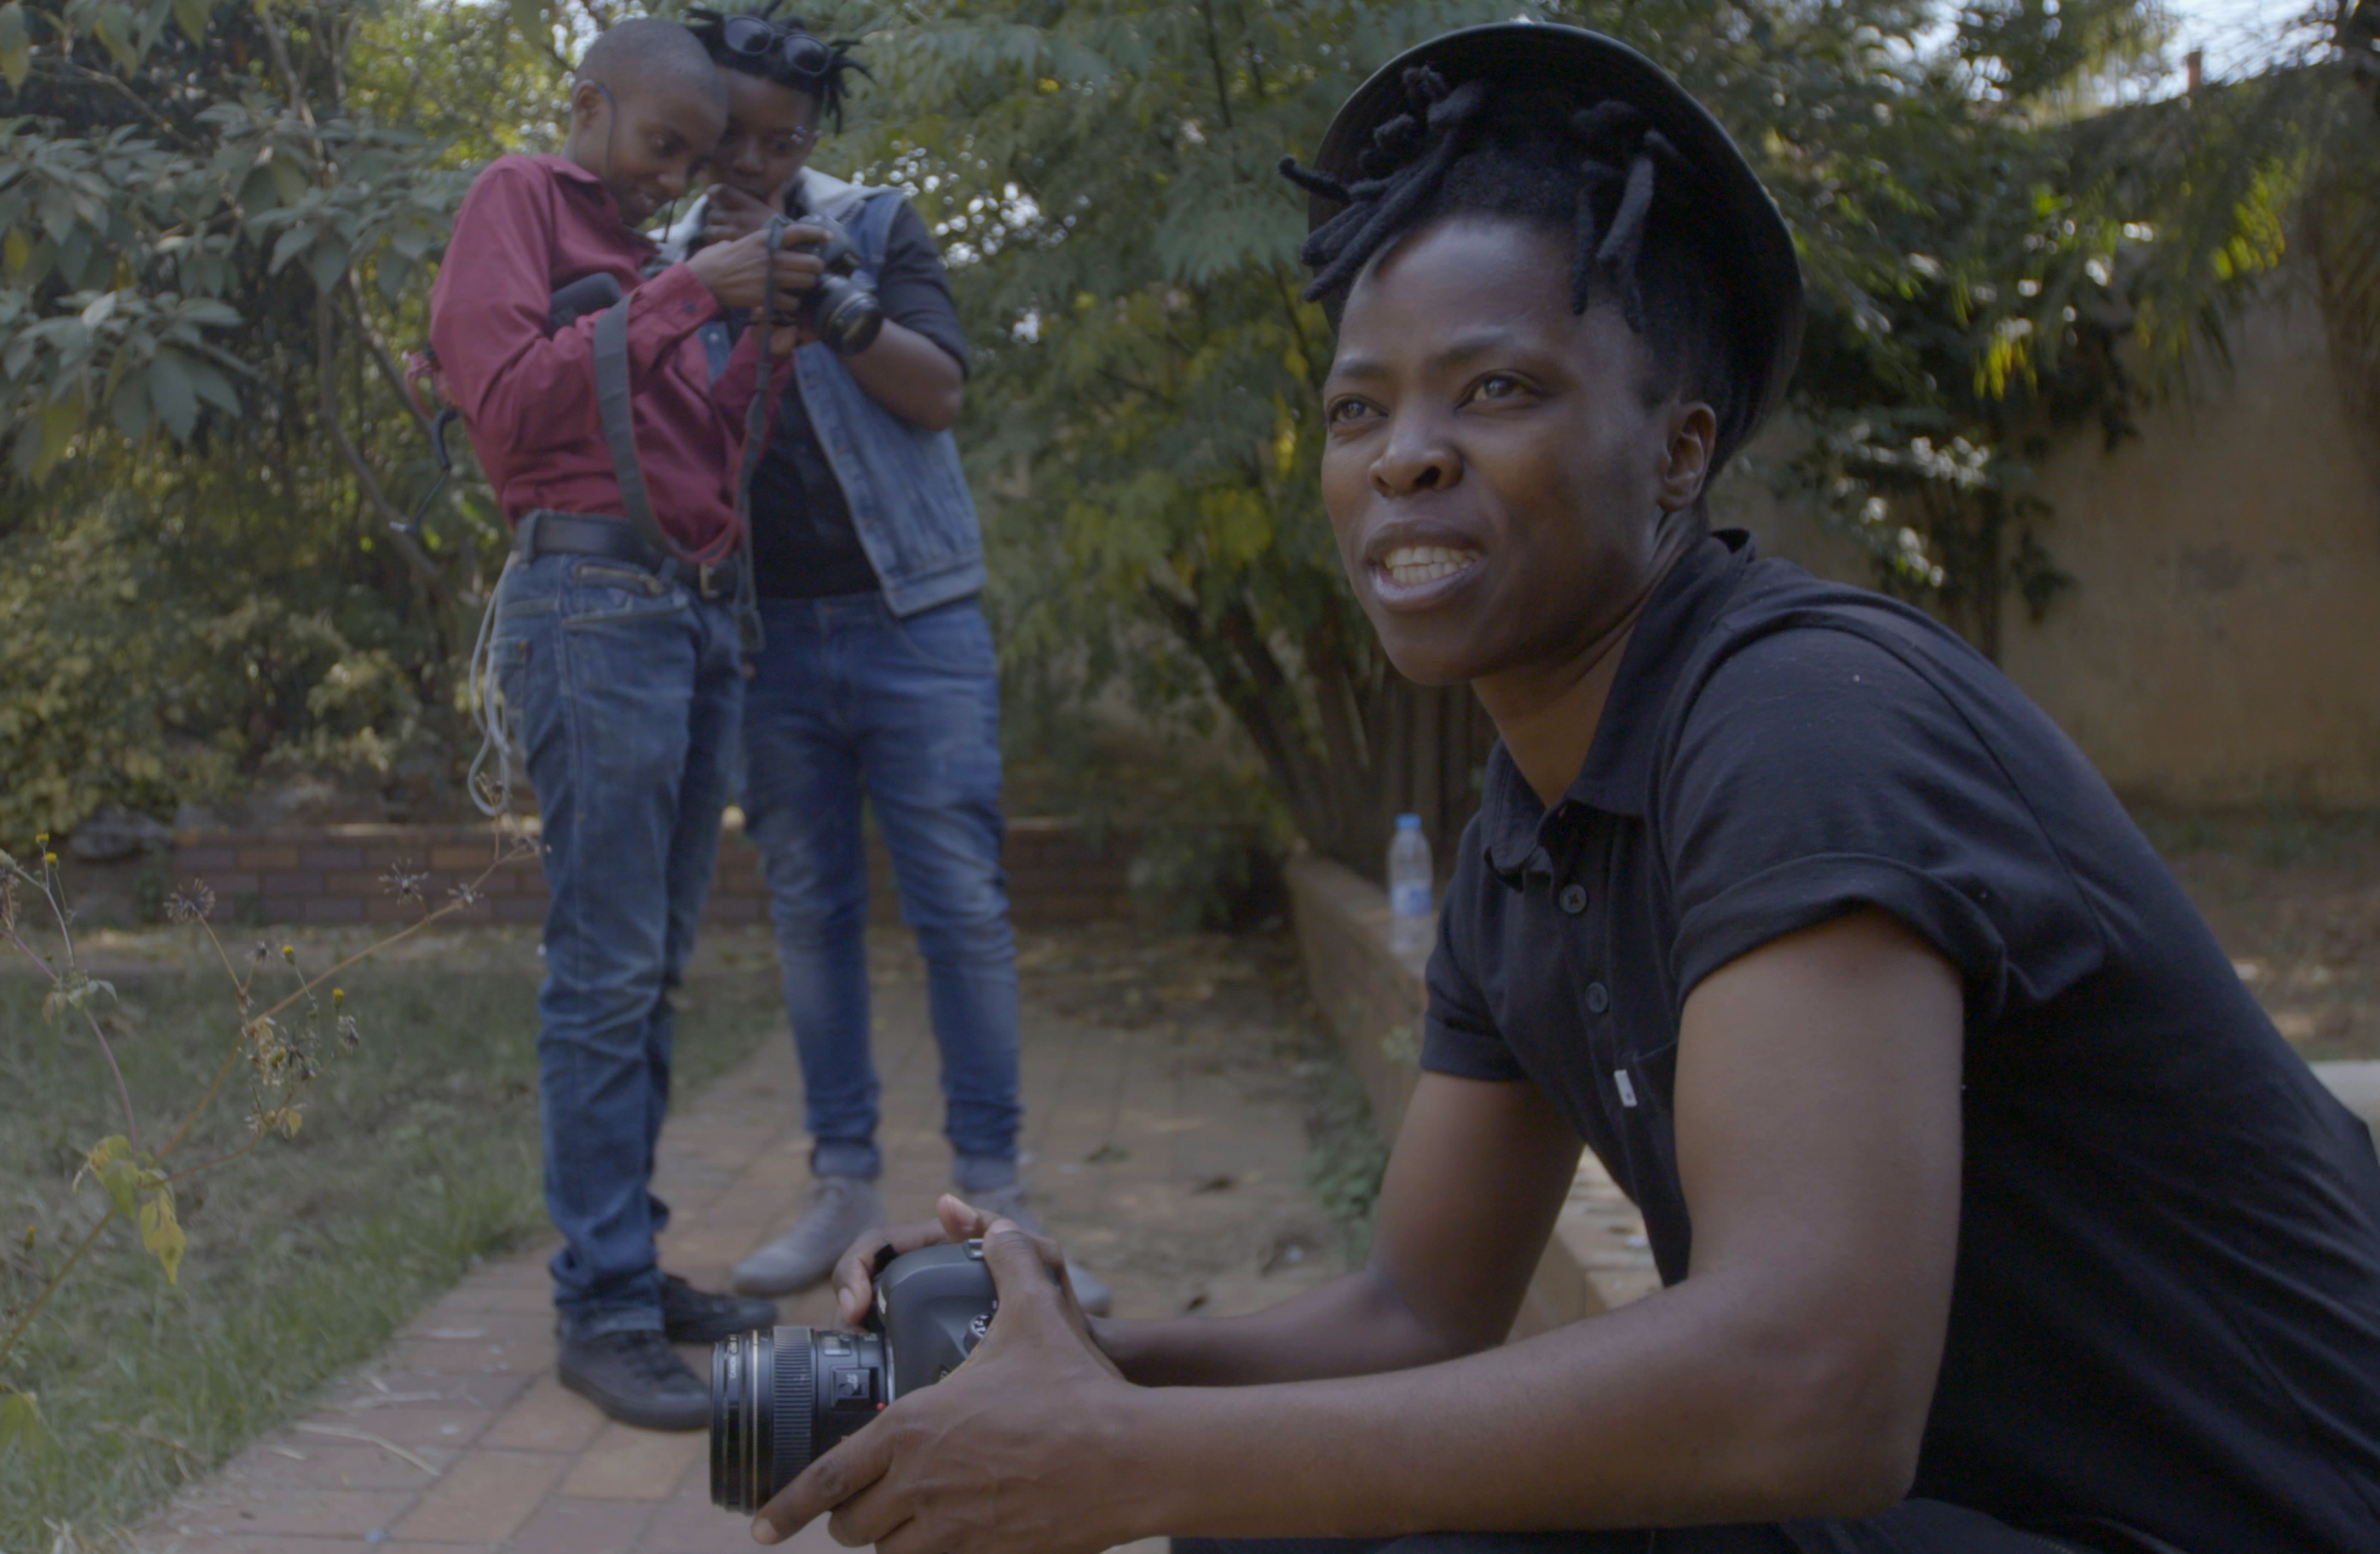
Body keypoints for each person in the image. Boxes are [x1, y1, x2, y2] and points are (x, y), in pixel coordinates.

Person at [748, 22, 2380, 1553]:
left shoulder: (1806, 723)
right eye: (1357, 408)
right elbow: (1416, 1313)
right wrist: (1068, 1360)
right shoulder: (1528, 830)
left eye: (1498, 388)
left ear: (1679, 451)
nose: (1405, 455)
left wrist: (1132, 1460)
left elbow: (1809, 1388)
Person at [655, 3, 1110, 1316]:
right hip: (763, 639)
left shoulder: (877, 223)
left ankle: (996, 1198)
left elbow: (941, 389)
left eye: (780, 139)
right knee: (812, 914)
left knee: (962, 906)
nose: (750, 161)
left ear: (810, 137)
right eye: (731, 136)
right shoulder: (657, 254)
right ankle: (845, 1188)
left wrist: (823, 293)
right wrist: (712, 286)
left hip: (917, 622)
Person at [427, 17, 832, 1431]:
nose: (673, 180)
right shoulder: (517, 201)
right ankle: (598, 1312)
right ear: (588, 106)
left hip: (691, 615)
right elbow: (512, 405)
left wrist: (760, 329)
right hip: (589, 609)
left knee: (648, 969)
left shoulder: (662, 264)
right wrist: (682, 294)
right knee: (601, 972)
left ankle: (628, 1264)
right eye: (664, 146)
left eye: (698, 161)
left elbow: (703, 441)